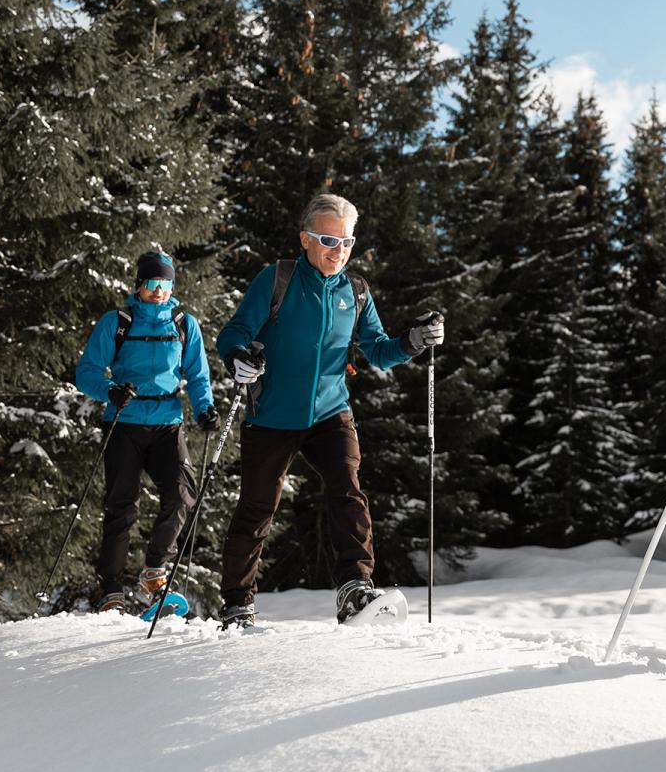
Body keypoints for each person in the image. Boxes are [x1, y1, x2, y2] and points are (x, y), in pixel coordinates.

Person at [212, 193, 445, 629]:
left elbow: (378, 351)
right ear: (305, 239)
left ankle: (355, 589)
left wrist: (414, 340)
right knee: (258, 508)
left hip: (330, 412)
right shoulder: (277, 279)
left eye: (347, 243)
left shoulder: (355, 292)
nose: (338, 252)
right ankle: (236, 605)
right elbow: (235, 331)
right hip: (272, 414)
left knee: (347, 489)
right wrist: (238, 355)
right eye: (327, 240)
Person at [72, 250, 217, 613]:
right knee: (121, 506)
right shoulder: (117, 322)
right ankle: (111, 590)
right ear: (138, 286)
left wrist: (205, 410)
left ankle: (154, 571)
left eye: (166, 284)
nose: (159, 292)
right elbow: (87, 371)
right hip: (124, 423)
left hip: (167, 423)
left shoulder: (184, 324)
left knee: (182, 494)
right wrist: (110, 390)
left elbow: (198, 376)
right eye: (153, 284)